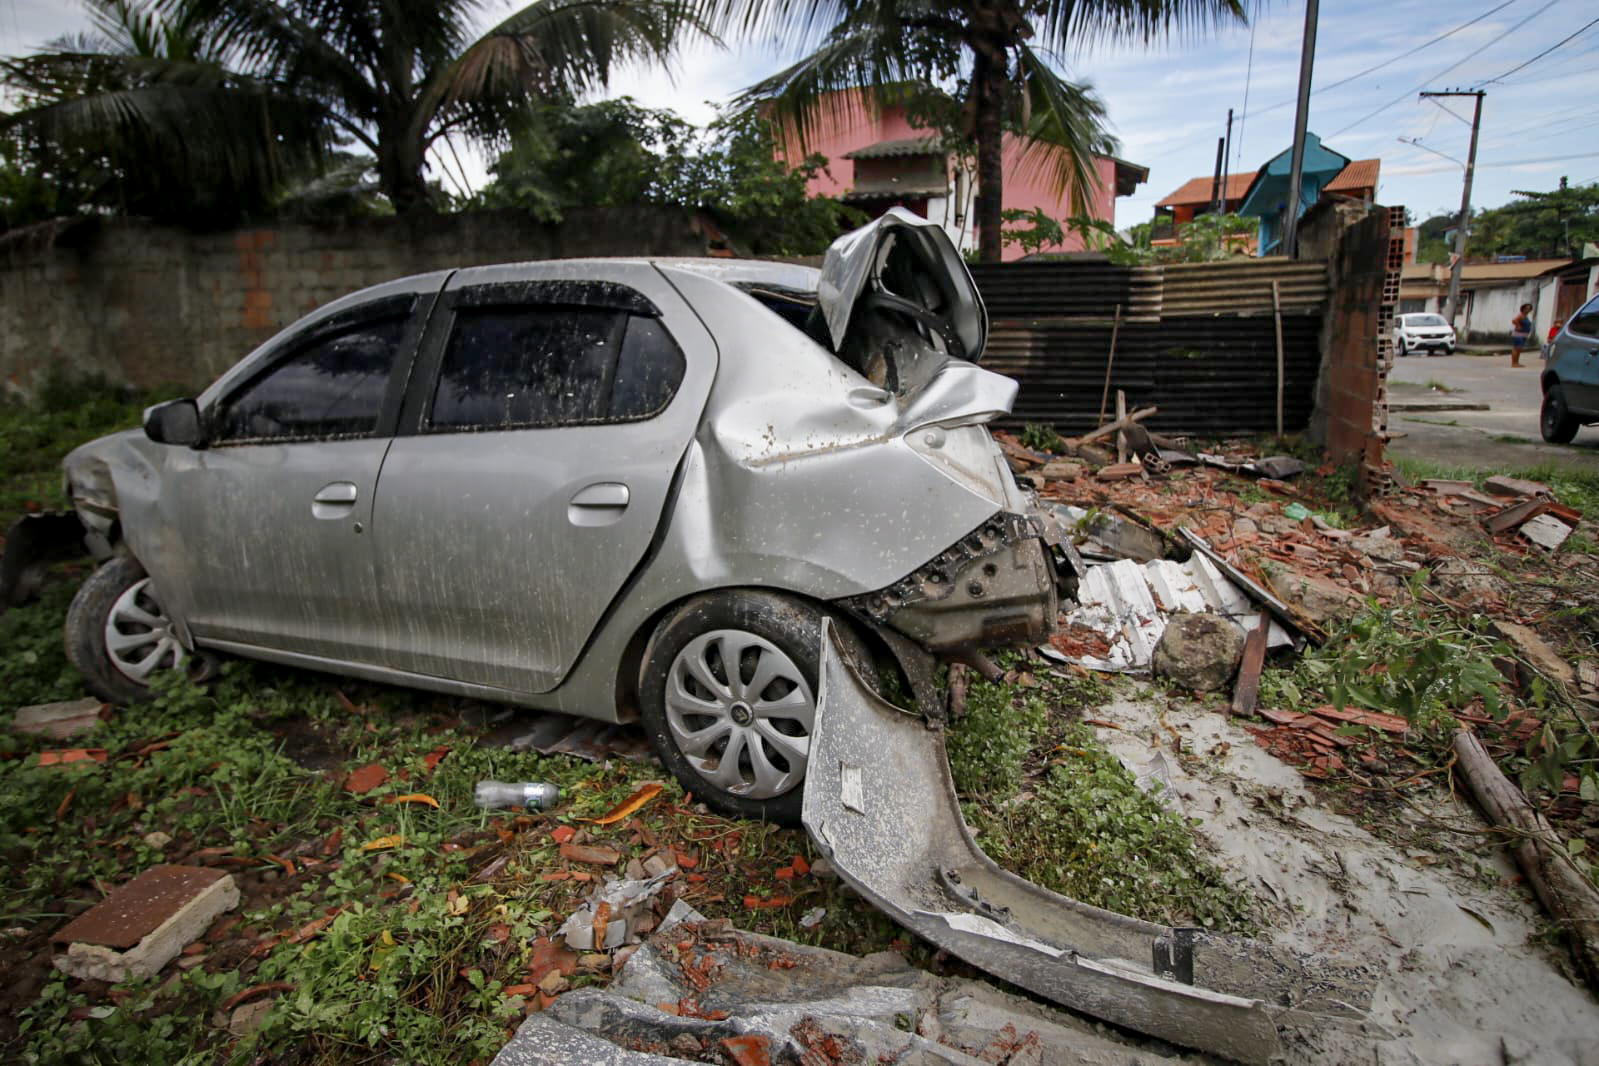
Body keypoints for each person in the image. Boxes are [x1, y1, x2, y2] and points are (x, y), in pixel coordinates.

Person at [1510, 303, 1533, 367]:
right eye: (1526, 308)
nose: (1527, 310)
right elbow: (1514, 320)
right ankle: (1514, 363)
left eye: (1529, 309)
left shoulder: (1525, 316)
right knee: (1516, 348)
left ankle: (1516, 362)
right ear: (1523, 309)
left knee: (1519, 349)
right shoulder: (1521, 315)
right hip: (1518, 335)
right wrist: (1518, 325)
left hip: (1523, 335)